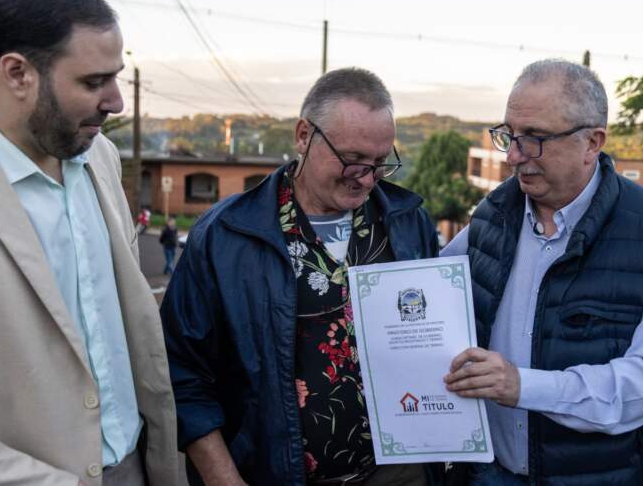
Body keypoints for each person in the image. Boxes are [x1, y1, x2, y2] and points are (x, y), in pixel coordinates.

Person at [161, 67, 440, 485]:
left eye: (381, 162)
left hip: (398, 474)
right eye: (352, 159)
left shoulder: (408, 222)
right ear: (304, 135)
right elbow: (182, 371)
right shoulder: (226, 234)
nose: (366, 177)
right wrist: (223, 479)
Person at [442, 59, 643, 485]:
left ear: (592, 143)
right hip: (490, 474)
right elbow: (429, 292)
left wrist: (523, 386)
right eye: (509, 135)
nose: (513, 156)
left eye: (534, 139)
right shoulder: (492, 216)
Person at [0, 0, 178, 485]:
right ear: (17, 73)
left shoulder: (99, 156)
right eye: (93, 82)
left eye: (116, 77)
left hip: (136, 465)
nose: (117, 102)